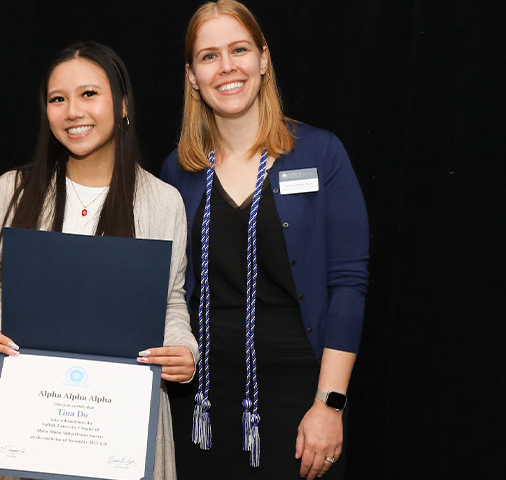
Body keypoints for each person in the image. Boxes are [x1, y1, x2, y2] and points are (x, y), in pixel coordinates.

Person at [0, 41, 198, 480]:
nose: (73, 111)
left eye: (89, 94)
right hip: (34, 421)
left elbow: (168, 302)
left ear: (123, 105)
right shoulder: (13, 191)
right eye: (58, 99)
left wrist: (183, 351)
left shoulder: (162, 201)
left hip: (123, 424)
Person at [160, 2, 369, 479]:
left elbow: (348, 284)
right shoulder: (178, 170)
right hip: (201, 399)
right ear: (192, 75)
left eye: (240, 50)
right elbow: (166, 287)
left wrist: (329, 404)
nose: (227, 67)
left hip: (302, 398)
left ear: (264, 59)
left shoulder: (320, 153)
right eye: (209, 56)